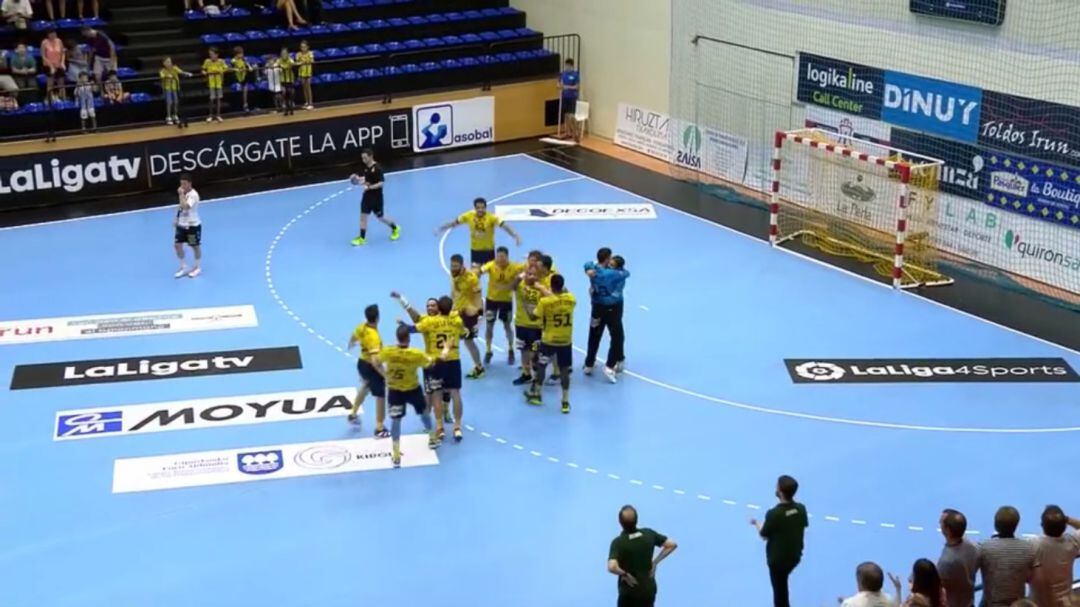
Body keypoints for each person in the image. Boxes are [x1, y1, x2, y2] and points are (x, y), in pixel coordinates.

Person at [377, 324, 443, 467]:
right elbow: (430, 364)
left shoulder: (388, 351)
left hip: (395, 391)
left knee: (396, 420)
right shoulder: (416, 354)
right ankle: (432, 437)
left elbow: (376, 362)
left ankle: (396, 454)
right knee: (424, 412)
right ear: (409, 338)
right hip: (413, 389)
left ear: (397, 337)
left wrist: (385, 375)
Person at [750, 475, 809, 607]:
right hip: (795, 556)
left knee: (780, 593)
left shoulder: (774, 514)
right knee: (783, 583)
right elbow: (801, 525)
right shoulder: (801, 509)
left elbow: (764, 535)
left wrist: (756, 523)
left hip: (778, 561)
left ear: (780, 491)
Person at [607, 505, 677, 607]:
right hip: (648, 590)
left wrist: (624, 574)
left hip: (629, 594)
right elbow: (671, 545)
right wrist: (655, 562)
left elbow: (612, 567)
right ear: (636, 519)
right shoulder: (648, 534)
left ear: (620, 522)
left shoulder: (618, 543)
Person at [526, 273, 575, 412]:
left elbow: (533, 316)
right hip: (566, 340)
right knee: (564, 370)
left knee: (541, 365)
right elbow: (564, 293)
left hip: (549, 340)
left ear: (551, 286)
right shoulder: (571, 299)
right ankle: (565, 402)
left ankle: (537, 394)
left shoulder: (545, 302)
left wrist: (526, 304)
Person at [583, 249, 630, 382]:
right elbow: (627, 273)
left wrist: (588, 269)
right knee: (617, 336)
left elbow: (587, 264)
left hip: (597, 307)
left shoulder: (594, 269)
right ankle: (610, 366)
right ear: (607, 259)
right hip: (613, 309)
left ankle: (589, 364)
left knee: (594, 334)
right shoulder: (615, 274)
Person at [976, 506, 1037, 607]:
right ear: (1016, 525)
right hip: (1018, 604)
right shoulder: (1028, 548)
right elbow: (1030, 577)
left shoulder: (985, 548)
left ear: (995, 526)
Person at [436, 197, 521, 267]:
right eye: (478, 208)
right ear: (475, 208)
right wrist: (441, 228)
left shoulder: (491, 217)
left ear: (485, 207)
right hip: (475, 250)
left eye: (482, 208)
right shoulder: (468, 216)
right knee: (475, 275)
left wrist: (515, 235)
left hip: (489, 250)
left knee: (492, 274)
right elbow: (454, 223)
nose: (480, 210)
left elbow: (504, 226)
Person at [346, 304, 389, 438]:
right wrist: (386, 376)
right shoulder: (374, 337)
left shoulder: (362, 326)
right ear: (377, 318)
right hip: (371, 367)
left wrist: (351, 344)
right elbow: (376, 362)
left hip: (362, 364)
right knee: (380, 395)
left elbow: (353, 338)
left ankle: (353, 414)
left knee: (365, 387)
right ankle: (379, 428)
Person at [478, 246, 522, 365]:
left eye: (502, 256)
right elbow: (480, 271)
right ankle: (488, 350)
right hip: (492, 301)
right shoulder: (491, 265)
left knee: (507, 326)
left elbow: (527, 269)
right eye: (498, 256)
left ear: (507, 257)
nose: (500, 259)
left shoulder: (514, 267)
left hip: (506, 301)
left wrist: (517, 280)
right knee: (489, 326)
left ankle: (511, 349)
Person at [1029, 505, 1080, 607]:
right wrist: (1066, 519)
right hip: (1065, 603)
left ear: (1042, 525)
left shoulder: (1033, 544)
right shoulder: (1072, 542)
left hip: (1038, 603)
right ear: (1065, 526)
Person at [349, 148, 400, 245]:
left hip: (376, 197)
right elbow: (367, 179)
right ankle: (362, 238)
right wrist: (357, 180)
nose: (363, 160)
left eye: (365, 158)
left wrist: (370, 187)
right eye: (362, 158)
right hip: (367, 197)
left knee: (380, 217)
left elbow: (381, 183)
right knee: (363, 216)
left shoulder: (377, 168)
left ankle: (395, 228)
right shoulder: (366, 168)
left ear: (371, 156)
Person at [447, 254, 486, 379]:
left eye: (456, 266)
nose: (453, 268)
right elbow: (453, 293)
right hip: (455, 312)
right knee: (452, 337)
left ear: (462, 265)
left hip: (468, 314)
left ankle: (479, 367)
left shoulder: (471, 278)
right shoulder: (453, 275)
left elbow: (478, 296)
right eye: (452, 265)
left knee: (469, 341)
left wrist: (478, 313)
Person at [937, 509, 979, 607]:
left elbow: (936, 586)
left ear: (947, 530)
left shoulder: (947, 562)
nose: (939, 523)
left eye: (941, 522)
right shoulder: (972, 547)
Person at [510, 264, 543, 386]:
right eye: (529, 274)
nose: (532, 276)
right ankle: (526, 374)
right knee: (523, 351)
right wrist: (519, 278)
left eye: (535, 274)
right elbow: (511, 287)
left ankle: (536, 377)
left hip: (536, 327)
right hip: (521, 325)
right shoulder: (521, 285)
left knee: (534, 353)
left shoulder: (541, 288)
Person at [173, 174, 203, 278]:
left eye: (184, 184)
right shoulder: (183, 193)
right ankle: (184, 267)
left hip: (192, 225)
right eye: (181, 184)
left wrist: (180, 194)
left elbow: (185, 207)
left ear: (190, 183)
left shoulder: (193, 195)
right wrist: (177, 218)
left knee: (194, 246)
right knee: (177, 245)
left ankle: (197, 267)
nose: (182, 186)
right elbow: (180, 207)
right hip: (181, 224)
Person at [160, 57, 190, 125]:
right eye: (167, 62)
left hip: (175, 88)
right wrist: (167, 76)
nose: (169, 63)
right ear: (164, 63)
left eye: (170, 61)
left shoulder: (175, 68)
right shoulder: (162, 70)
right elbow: (162, 76)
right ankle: (168, 116)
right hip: (167, 88)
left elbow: (181, 72)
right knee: (169, 102)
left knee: (176, 102)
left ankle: (175, 115)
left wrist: (187, 74)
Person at [558, 57, 581, 141]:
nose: (567, 67)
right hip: (564, 97)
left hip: (572, 97)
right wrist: (559, 86)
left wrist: (567, 87)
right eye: (566, 65)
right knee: (566, 116)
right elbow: (559, 84)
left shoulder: (575, 75)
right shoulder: (563, 74)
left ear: (571, 66)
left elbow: (577, 87)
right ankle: (568, 132)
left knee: (571, 116)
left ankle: (576, 133)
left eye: (568, 66)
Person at [202, 47, 227, 122]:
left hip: (219, 83)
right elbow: (203, 69)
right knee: (212, 99)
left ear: (217, 55)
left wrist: (220, 71)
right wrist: (204, 72)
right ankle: (210, 115)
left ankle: (218, 115)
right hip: (211, 83)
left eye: (212, 54)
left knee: (219, 99)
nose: (211, 56)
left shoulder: (221, 61)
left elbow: (225, 68)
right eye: (210, 54)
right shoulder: (207, 61)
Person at [41, 30, 66, 103]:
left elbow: (62, 53)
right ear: (48, 35)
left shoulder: (59, 41)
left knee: (61, 83)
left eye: (54, 33)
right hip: (48, 65)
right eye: (51, 34)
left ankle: (63, 99)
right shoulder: (44, 42)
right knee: (50, 84)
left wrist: (62, 63)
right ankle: (49, 99)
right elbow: (43, 56)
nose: (53, 35)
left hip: (58, 65)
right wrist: (51, 66)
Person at [230, 46, 252, 113]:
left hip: (243, 78)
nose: (242, 55)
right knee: (239, 93)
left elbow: (247, 65)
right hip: (236, 79)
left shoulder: (243, 60)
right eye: (241, 53)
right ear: (237, 54)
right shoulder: (233, 60)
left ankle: (245, 105)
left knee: (245, 91)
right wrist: (235, 69)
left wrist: (250, 67)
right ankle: (238, 107)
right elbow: (230, 67)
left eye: (242, 53)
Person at [296, 40, 313, 110]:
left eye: (304, 47)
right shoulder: (298, 54)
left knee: (308, 88)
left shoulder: (310, 53)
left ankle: (310, 103)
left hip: (308, 72)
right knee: (304, 88)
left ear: (307, 47)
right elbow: (297, 62)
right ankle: (306, 102)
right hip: (301, 72)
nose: (303, 48)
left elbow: (312, 60)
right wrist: (300, 63)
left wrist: (305, 61)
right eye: (301, 47)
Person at [277, 46, 295, 115]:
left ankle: (291, 104)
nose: (284, 55)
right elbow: (275, 65)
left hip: (290, 79)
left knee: (290, 92)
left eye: (285, 53)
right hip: (283, 80)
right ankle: (285, 106)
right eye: (282, 54)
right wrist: (278, 68)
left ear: (287, 54)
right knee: (284, 92)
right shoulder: (279, 60)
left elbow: (293, 63)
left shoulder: (290, 60)